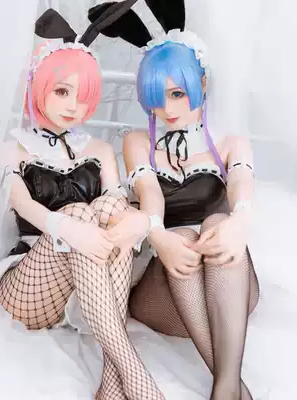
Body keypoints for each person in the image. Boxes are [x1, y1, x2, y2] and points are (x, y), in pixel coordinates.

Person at [0, 4, 165, 400]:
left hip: (88, 288)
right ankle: (133, 371)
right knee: (78, 211)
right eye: (62, 91)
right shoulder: (14, 149)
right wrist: (67, 228)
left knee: (110, 209)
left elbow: (115, 204)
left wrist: (137, 221)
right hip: (29, 286)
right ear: (39, 86)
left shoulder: (99, 150)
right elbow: (24, 205)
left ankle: (111, 382)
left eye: (82, 96)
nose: (73, 107)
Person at [89, 0, 259, 399]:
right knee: (181, 234)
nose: (167, 109)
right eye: (157, 97)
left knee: (218, 223)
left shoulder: (230, 142)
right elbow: (150, 195)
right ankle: (231, 387)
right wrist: (159, 236)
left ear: (203, 83)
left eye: (178, 93)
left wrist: (240, 220)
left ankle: (226, 387)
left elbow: (241, 185)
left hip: (230, 289)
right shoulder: (138, 142)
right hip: (164, 295)